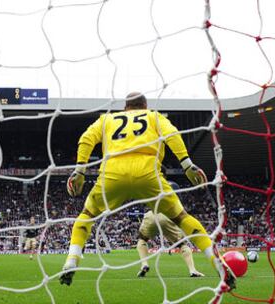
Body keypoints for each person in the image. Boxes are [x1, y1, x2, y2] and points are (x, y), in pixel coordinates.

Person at [60, 92, 235, 290]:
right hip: (148, 173)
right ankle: (216, 262)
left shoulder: (107, 119)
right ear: (145, 106)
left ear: (125, 108)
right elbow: (172, 135)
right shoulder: (154, 117)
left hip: (113, 173)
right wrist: (187, 165)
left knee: (87, 215)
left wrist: (80, 171)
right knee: (181, 218)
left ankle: (72, 259)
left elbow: (86, 139)